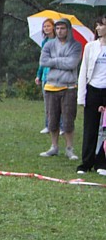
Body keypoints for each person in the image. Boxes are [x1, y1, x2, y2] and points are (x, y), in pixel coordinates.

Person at [39, 18, 82, 160]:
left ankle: (69, 148)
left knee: (68, 119)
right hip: (51, 86)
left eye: (62, 28)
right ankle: (54, 146)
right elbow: (43, 61)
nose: (59, 31)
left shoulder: (76, 45)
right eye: (57, 28)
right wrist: (61, 60)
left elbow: (72, 63)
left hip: (68, 86)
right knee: (52, 118)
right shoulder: (49, 45)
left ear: (68, 29)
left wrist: (55, 60)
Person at [76, 17, 106, 173]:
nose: (98, 28)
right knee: (90, 127)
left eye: (101, 25)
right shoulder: (90, 47)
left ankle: (102, 162)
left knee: (105, 129)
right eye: (97, 25)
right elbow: (83, 72)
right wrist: (82, 96)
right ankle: (86, 162)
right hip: (93, 89)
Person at [35, 18, 56, 134]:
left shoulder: (60, 41)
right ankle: (48, 124)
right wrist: (39, 75)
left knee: (58, 103)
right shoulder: (44, 42)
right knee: (47, 103)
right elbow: (42, 61)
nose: (46, 28)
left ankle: (60, 125)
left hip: (57, 76)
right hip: (45, 76)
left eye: (48, 26)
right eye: (44, 26)